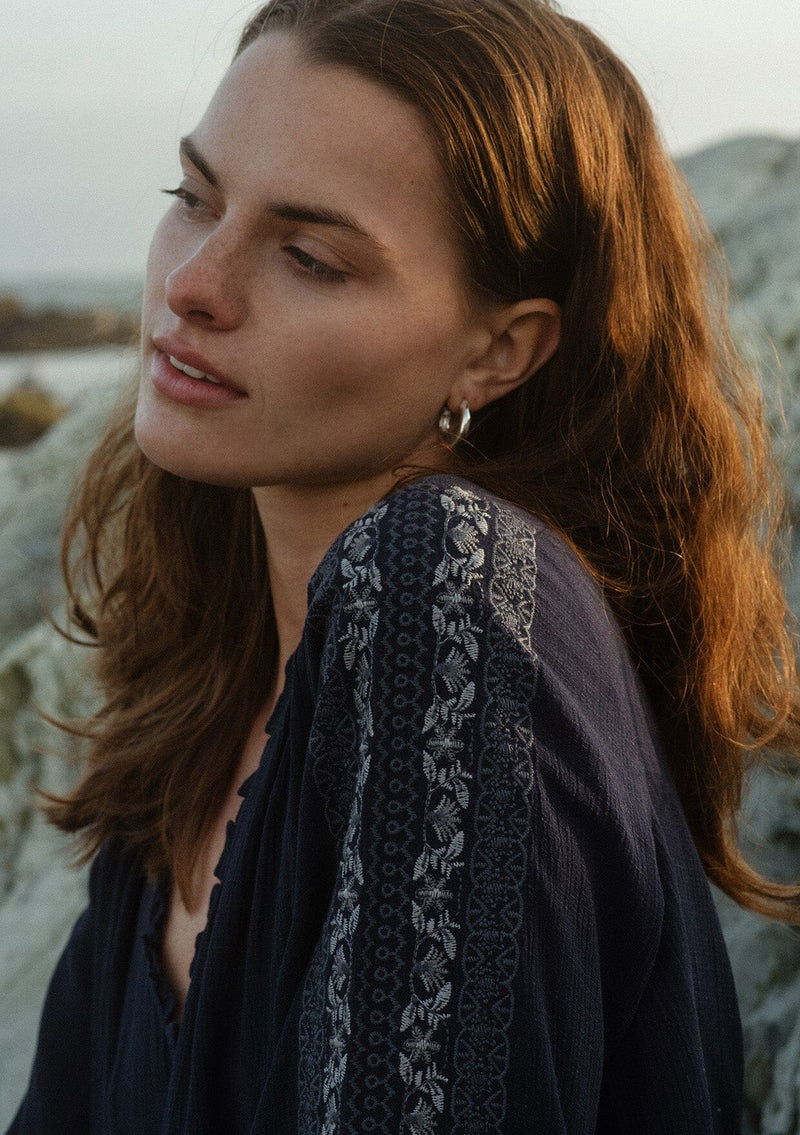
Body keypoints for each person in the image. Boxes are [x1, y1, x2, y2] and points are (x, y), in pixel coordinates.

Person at [9, 0, 800, 1131]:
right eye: (193, 198)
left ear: (496, 350)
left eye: (308, 256)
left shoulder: (450, 589)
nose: (192, 282)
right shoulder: (213, 695)